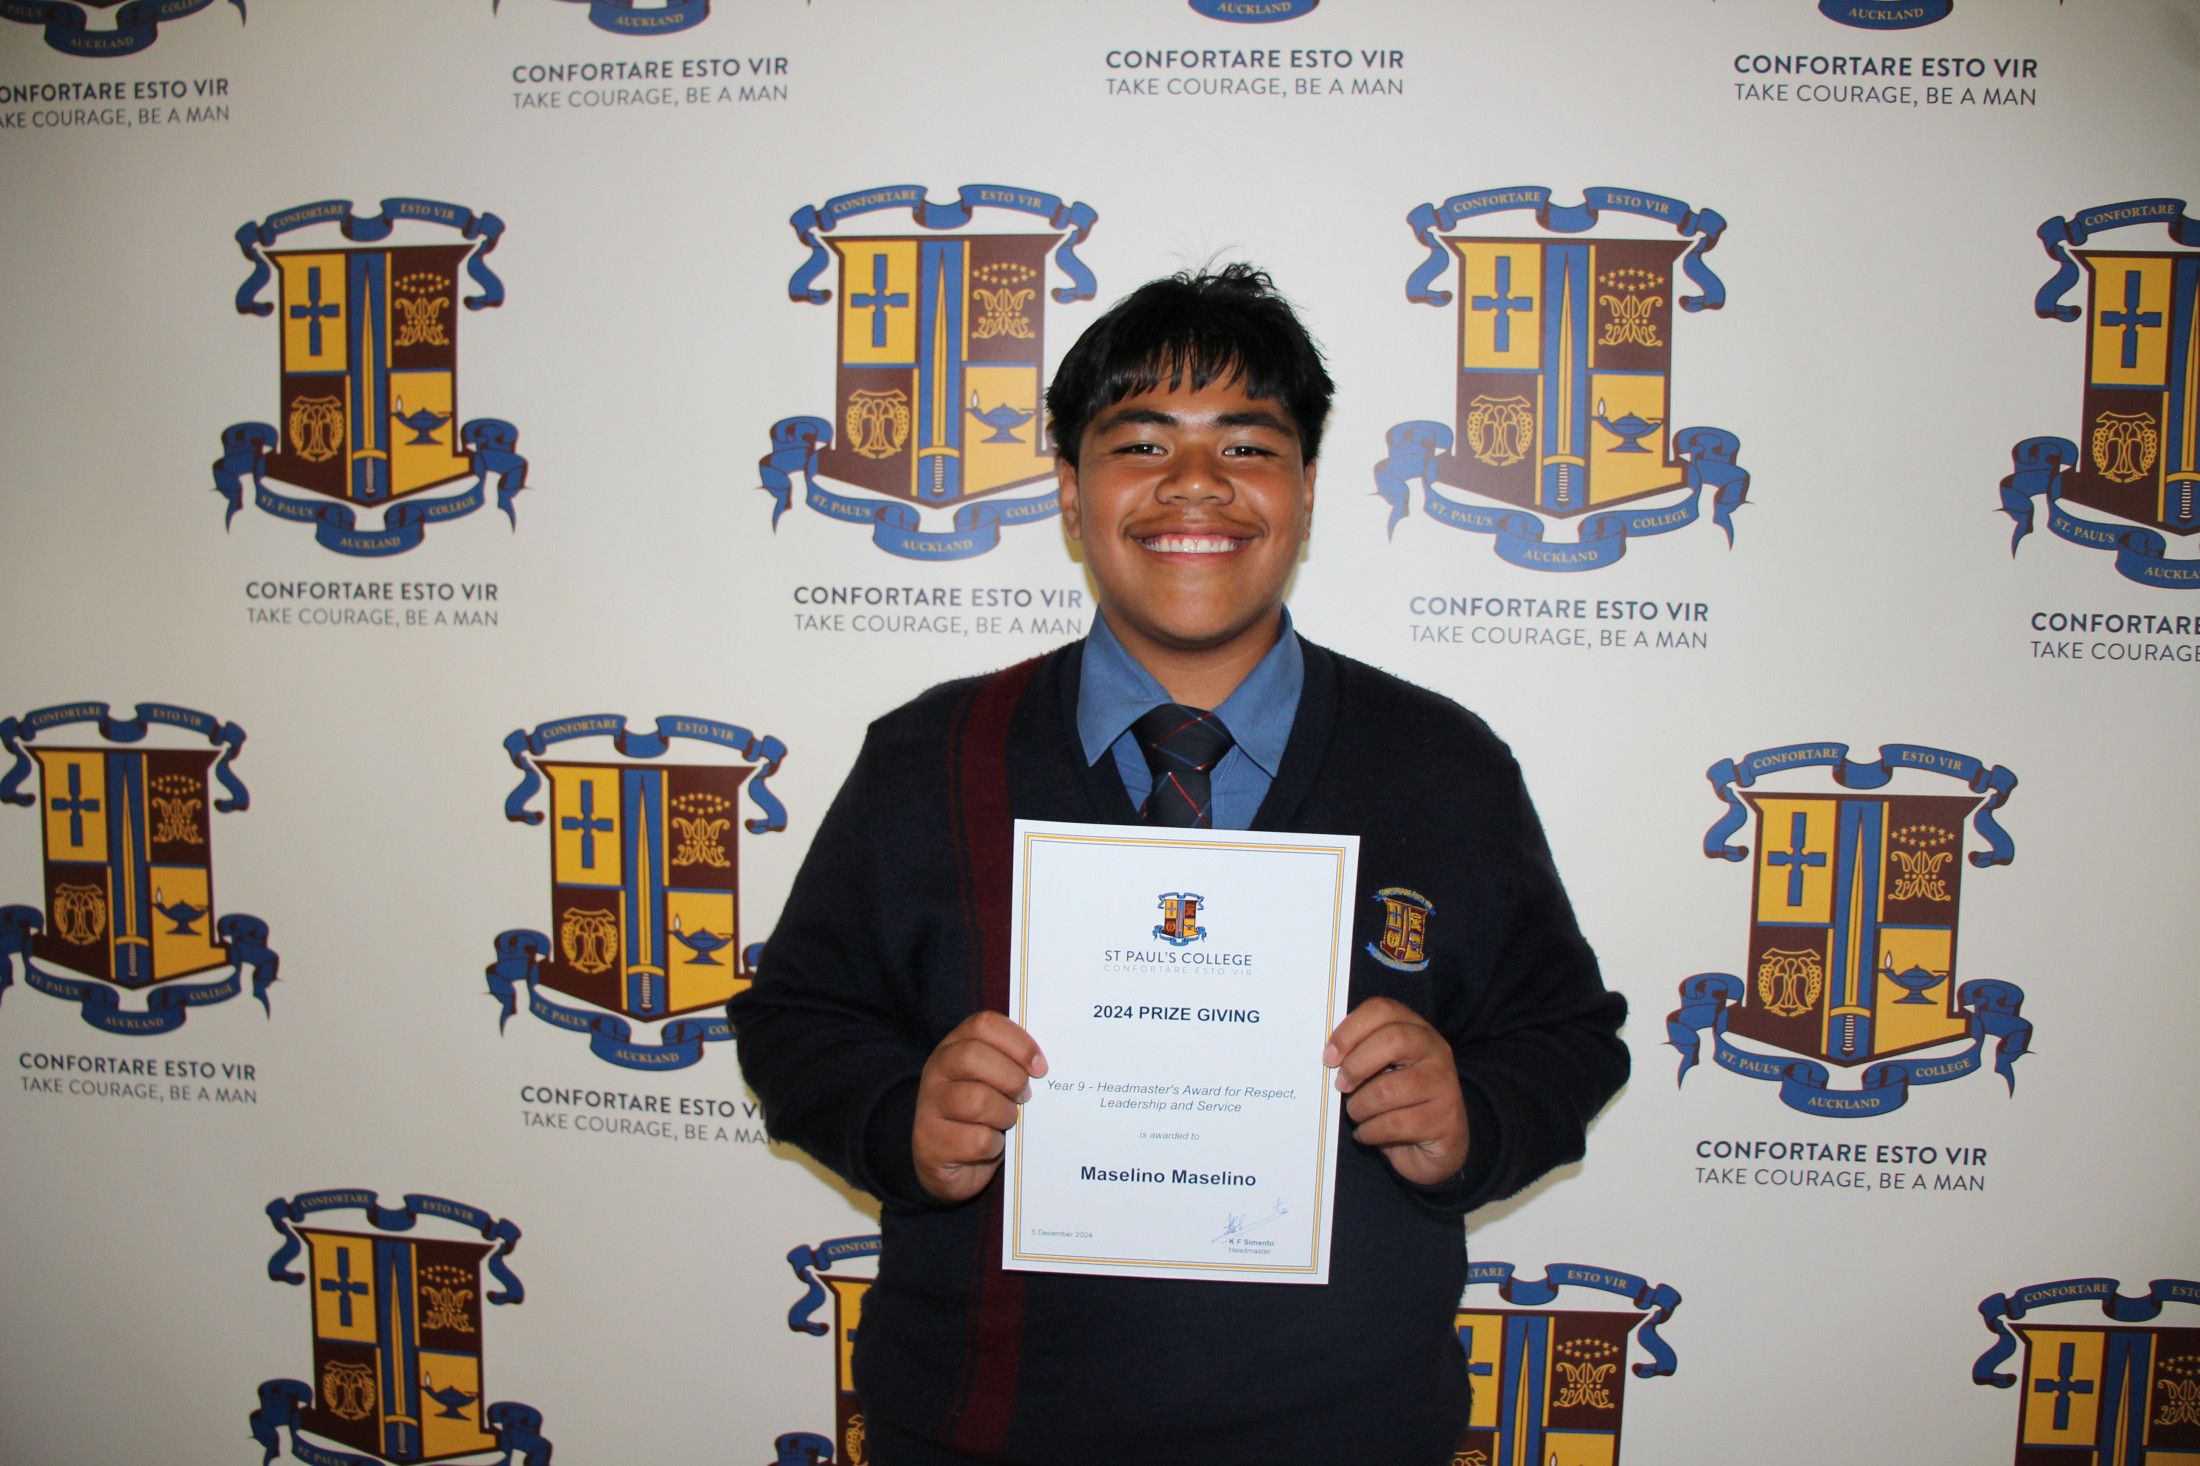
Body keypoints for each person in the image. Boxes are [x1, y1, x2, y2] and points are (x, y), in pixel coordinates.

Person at [732, 264, 1628, 1465]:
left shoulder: (1440, 762)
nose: (1194, 482)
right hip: (987, 1427)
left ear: (1305, 489)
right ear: (1070, 491)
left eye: (1246, 445)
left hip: (1347, 1430)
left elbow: (1567, 1033)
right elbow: (795, 1016)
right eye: (1142, 443)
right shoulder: (932, 754)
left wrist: (1473, 1115)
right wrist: (902, 1118)